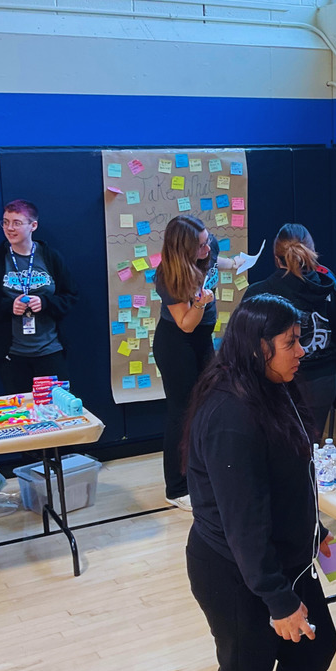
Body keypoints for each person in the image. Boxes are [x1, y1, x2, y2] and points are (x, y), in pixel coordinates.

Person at [183, 294, 336, 671]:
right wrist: (278, 601)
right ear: (257, 347)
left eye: (300, 338)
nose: (302, 349)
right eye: (290, 342)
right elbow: (244, 525)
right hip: (235, 571)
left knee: (316, 646)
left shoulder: (273, 388)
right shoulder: (229, 413)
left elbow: (293, 478)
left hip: (282, 559)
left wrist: (315, 536)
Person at [242, 223, 336, 440]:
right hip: (323, 380)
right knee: (310, 445)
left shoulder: (259, 293)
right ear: (311, 251)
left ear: (275, 256)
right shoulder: (330, 287)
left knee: (276, 445)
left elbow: (244, 343)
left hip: (276, 380)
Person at [0, 200, 78, 394]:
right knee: (21, 414)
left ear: (33, 225)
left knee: (58, 411)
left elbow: (70, 296)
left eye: (17, 222)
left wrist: (45, 302)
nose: (10, 228)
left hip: (49, 351)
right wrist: (8, 306)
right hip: (12, 355)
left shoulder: (51, 257)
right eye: (5, 222)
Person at [152, 215, 217, 510]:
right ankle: (176, 488)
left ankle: (201, 475)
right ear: (184, 249)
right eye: (201, 246)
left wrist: (236, 263)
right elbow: (186, 324)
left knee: (208, 405)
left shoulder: (206, 247)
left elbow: (218, 260)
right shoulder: (167, 275)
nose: (207, 249)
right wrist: (202, 302)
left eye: (206, 242)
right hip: (177, 343)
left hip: (202, 341)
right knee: (182, 413)